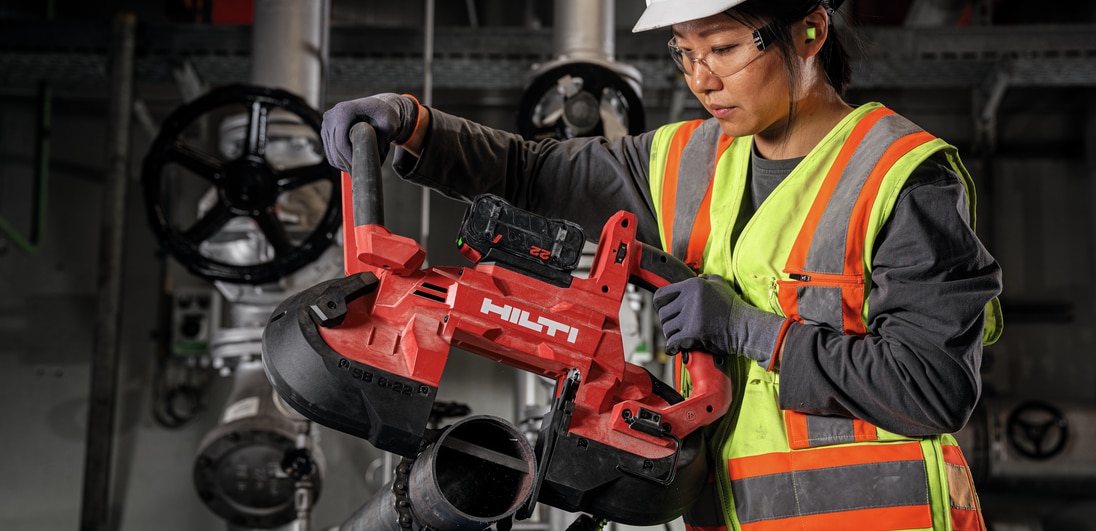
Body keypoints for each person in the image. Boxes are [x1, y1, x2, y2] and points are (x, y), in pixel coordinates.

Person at [320, 0, 1004, 529]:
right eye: (685, 53)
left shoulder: (900, 177)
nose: (702, 78)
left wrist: (755, 332)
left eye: (725, 48)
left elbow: (933, 387)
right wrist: (416, 129)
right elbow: (535, 173)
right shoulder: (685, 160)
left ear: (810, 30)